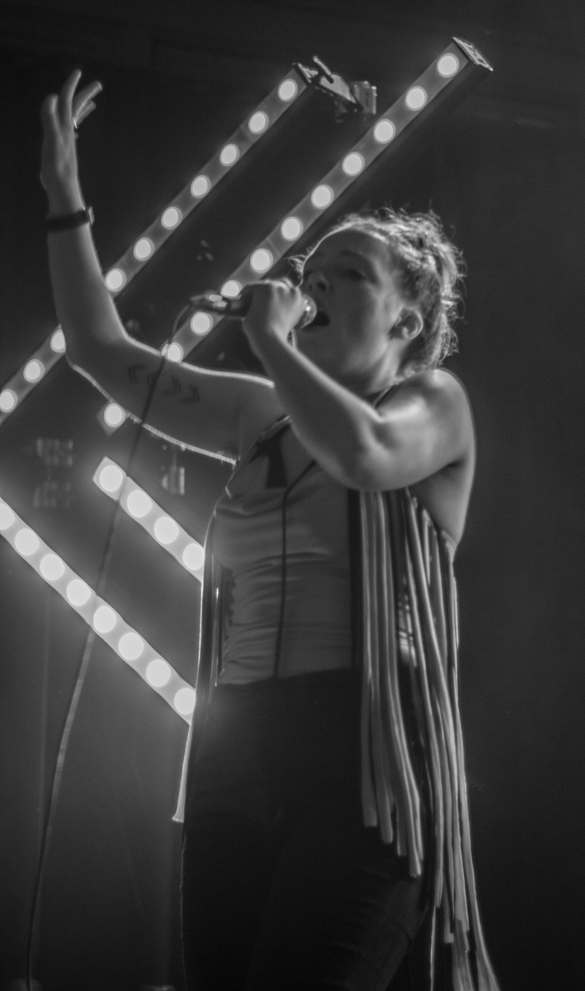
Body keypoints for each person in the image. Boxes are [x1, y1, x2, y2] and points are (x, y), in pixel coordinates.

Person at [41, 71, 499, 991]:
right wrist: (64, 200)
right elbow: (100, 352)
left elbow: (365, 455)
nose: (315, 280)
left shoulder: (431, 405)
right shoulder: (263, 415)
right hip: (236, 744)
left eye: (349, 275)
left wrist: (276, 346)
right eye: (312, 269)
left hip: (364, 760)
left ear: (407, 319)